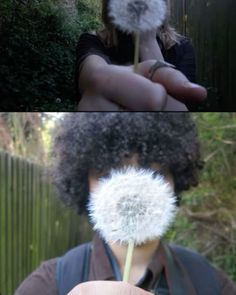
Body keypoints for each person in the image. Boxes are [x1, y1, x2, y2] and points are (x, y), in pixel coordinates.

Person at [15, 113, 236, 295]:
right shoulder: (46, 285)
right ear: (85, 184)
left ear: (175, 180)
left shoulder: (212, 284)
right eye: (108, 175)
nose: (132, 191)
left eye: (153, 173)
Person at [75, 0, 207, 111]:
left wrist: (147, 41)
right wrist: (100, 84)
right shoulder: (95, 42)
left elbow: (183, 108)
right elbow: (93, 76)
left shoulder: (181, 48)